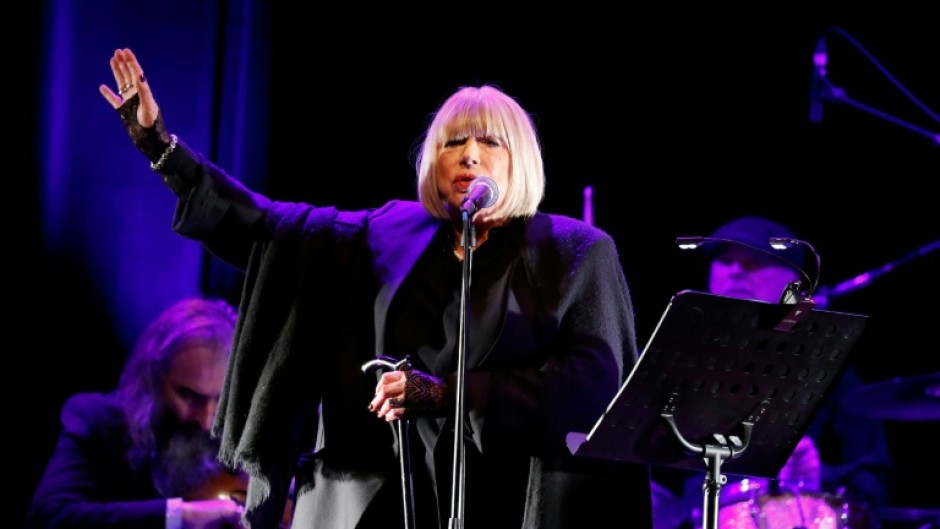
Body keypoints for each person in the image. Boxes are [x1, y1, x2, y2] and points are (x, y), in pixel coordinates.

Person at [97, 48, 653, 529]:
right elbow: (268, 229)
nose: (469, 154)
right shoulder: (387, 234)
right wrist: (161, 148)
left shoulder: (574, 252)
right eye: (453, 142)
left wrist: (446, 394)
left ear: (522, 161)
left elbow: (594, 388)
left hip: (511, 502)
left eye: (491, 142)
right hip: (380, 501)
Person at [650, 215, 894, 529]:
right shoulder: (672, 362)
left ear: (793, 281)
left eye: (753, 261)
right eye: (724, 260)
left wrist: (820, 475)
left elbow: (873, 478)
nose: (735, 270)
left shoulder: (830, 370)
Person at [26, 296, 249, 529]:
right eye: (188, 396)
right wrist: (178, 516)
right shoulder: (97, 422)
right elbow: (48, 516)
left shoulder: (235, 441)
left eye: (221, 401)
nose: (206, 421)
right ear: (151, 378)